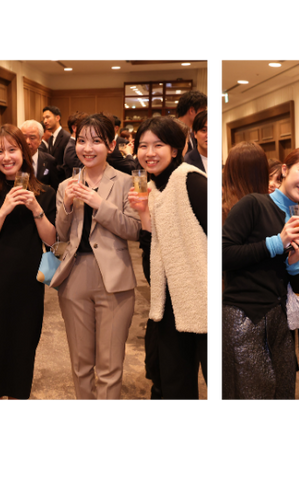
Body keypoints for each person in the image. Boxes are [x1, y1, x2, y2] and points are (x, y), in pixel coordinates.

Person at [216, 147, 299, 402]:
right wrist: (277, 242)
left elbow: (298, 289)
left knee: (282, 396)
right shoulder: (254, 203)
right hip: (244, 318)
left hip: (280, 325)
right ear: (285, 170)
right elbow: (221, 254)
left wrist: (295, 262)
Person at [50, 114, 141, 402]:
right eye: (81, 141)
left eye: (96, 141)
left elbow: (134, 229)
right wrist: (66, 205)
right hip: (74, 275)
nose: (87, 148)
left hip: (114, 279)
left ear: (111, 145)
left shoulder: (127, 182)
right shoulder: (66, 186)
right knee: (80, 364)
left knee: (110, 365)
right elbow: (60, 235)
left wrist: (100, 204)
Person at [0, 124, 56, 402]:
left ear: (24, 152)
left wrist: (36, 209)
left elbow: (52, 240)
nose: (6, 157)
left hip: (28, 283)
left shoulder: (45, 192)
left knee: (22, 348)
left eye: (12, 150)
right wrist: (4, 210)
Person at [129, 116, 211, 403]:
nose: (149, 153)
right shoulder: (153, 189)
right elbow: (153, 263)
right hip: (168, 303)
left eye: (158, 145)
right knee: (170, 382)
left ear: (175, 149)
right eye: (143, 146)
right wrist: (143, 213)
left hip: (200, 299)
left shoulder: (191, 181)